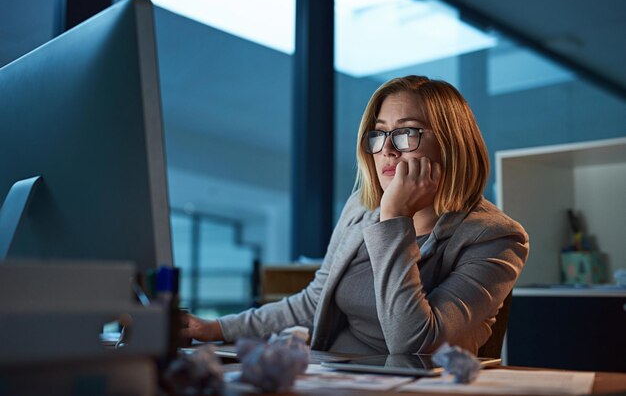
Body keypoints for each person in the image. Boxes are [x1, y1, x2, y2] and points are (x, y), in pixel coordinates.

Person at [181, 75, 529, 355]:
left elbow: (416, 343)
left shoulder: (495, 237)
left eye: (406, 132)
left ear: (452, 143)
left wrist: (395, 219)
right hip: (328, 373)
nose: (388, 149)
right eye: (378, 134)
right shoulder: (360, 209)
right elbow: (314, 301)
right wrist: (214, 329)